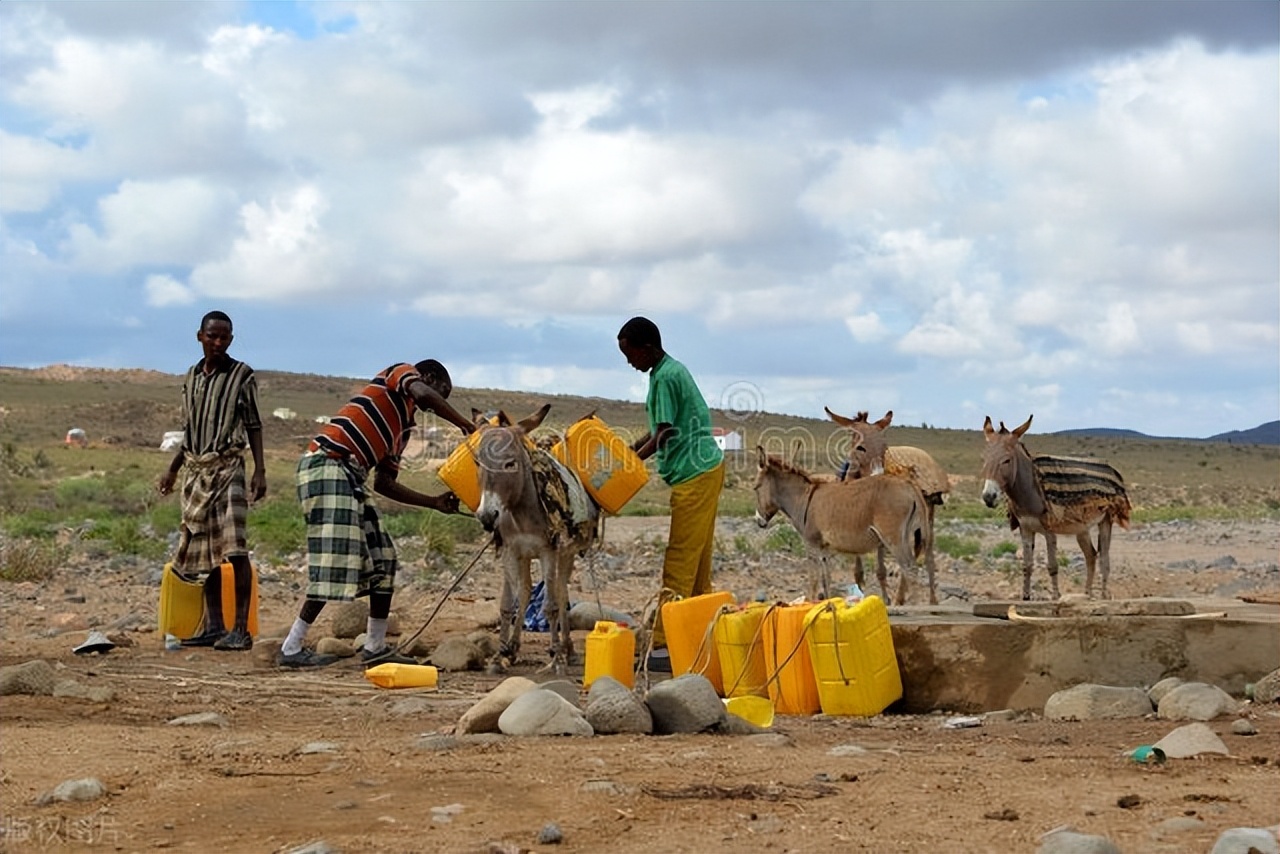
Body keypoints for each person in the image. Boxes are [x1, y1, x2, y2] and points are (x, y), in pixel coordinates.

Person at [278, 359, 474, 668]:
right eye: (442, 392)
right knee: (337, 555)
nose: (438, 404)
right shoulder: (400, 373)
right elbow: (423, 395)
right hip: (327, 463)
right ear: (429, 376)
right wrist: (466, 424)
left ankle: (375, 645)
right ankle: (291, 647)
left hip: (351, 475)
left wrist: (434, 502)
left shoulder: (403, 428)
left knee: (384, 559)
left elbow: (384, 483)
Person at [617, 317, 725, 672]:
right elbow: (657, 432)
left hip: (694, 474)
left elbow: (663, 434)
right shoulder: (668, 371)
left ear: (647, 348)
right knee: (698, 564)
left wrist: (630, 465)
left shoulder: (664, 376)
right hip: (707, 468)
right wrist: (628, 453)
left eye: (630, 354)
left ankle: (663, 647)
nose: (629, 362)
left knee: (680, 560)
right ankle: (697, 636)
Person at [158, 310, 266, 651]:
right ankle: (215, 626)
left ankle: (240, 631)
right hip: (195, 470)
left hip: (228, 468)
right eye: (212, 336)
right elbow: (190, 430)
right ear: (200, 337)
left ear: (231, 340)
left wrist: (260, 471)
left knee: (234, 549)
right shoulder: (191, 376)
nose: (218, 342)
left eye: (224, 337)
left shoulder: (241, 375)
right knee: (205, 552)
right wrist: (173, 469)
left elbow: (254, 424)